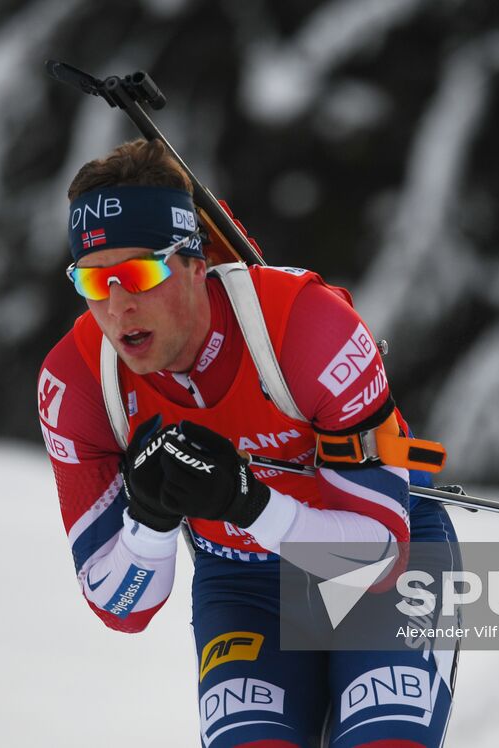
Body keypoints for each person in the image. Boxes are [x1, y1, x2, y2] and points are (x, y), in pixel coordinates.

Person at [37, 139, 458, 748]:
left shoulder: (308, 330)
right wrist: (151, 520)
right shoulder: (79, 381)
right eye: (94, 280)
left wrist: (250, 506)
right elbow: (121, 606)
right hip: (245, 586)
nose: (118, 304)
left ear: (196, 260)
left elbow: (376, 563)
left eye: (140, 273)